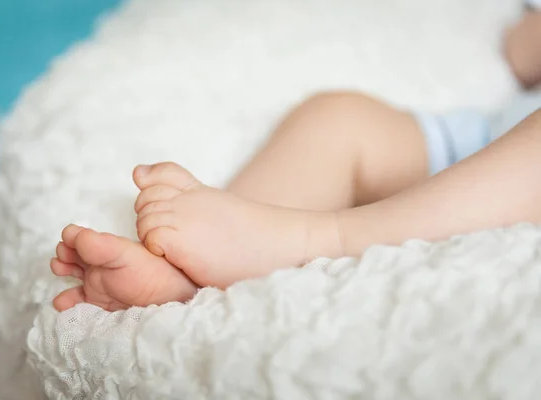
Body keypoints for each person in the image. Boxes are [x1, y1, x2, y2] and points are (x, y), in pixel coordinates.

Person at [50, 2, 541, 312]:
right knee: (338, 118)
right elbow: (520, 50)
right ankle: (193, 277)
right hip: (485, 145)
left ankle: (312, 239)